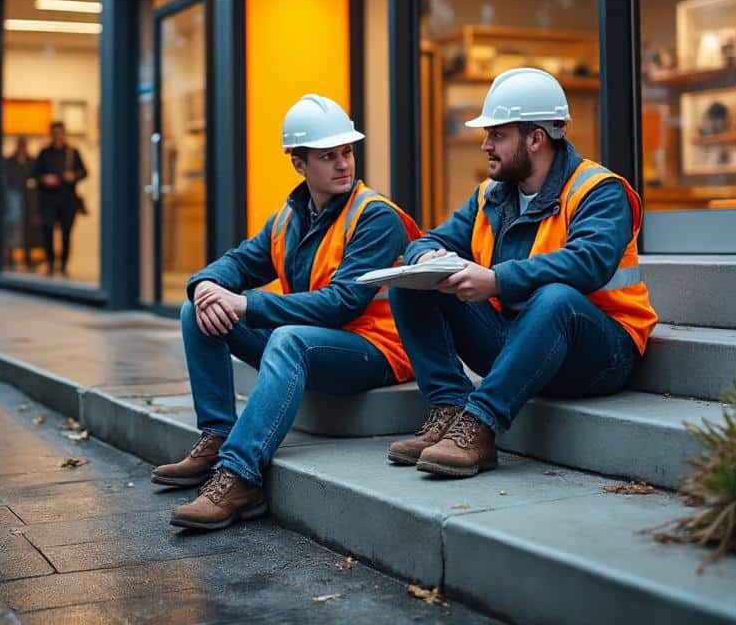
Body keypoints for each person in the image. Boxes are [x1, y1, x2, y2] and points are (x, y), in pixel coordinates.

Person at [156, 94, 420, 530]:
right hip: (312, 345)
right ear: (299, 165)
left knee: (286, 337)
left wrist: (247, 302)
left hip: (376, 349)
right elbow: (240, 263)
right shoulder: (289, 218)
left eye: (347, 152)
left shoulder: (375, 217)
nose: (343, 164)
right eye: (327, 156)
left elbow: (342, 303)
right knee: (195, 312)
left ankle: (240, 476)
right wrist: (204, 286)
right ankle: (218, 435)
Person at [386, 68, 658, 478]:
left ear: (535, 138)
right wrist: (425, 260)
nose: (485, 145)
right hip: (520, 343)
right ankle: (451, 410)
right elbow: (427, 239)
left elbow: (589, 261)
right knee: (408, 282)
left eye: (497, 134)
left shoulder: (599, 189)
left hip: (598, 353)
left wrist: (495, 280)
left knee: (555, 298)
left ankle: (479, 427)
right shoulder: (491, 195)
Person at [32, 122, 87, 276]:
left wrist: (73, 175)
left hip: (67, 200)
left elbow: (84, 172)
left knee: (66, 234)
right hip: (48, 200)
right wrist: (45, 179)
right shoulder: (44, 153)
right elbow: (34, 174)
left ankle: (63, 265)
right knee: (47, 232)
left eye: (60, 132)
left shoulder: (72, 152)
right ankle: (50, 263)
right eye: (54, 132)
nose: (57, 135)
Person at [1, 136, 39, 270]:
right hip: (14, 197)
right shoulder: (9, 161)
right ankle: (11, 258)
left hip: (29, 198)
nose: (22, 147)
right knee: (14, 226)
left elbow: (35, 179)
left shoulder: (32, 161)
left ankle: (28, 258)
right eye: (20, 144)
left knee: (28, 228)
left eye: (24, 144)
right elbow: (5, 179)